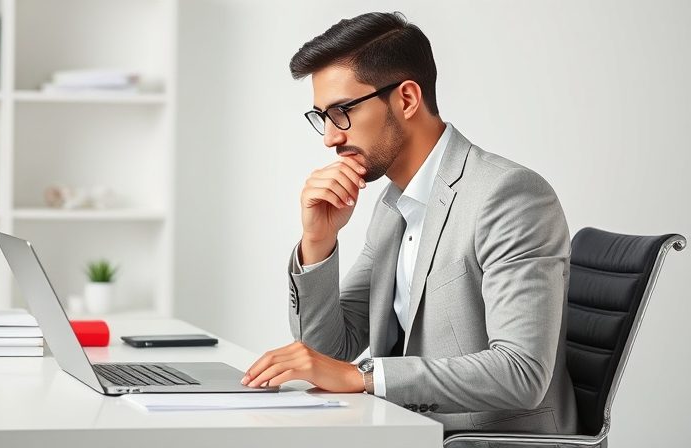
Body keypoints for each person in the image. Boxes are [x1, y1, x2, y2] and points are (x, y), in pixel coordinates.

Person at [242, 11, 579, 435]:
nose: (330, 137)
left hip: (485, 441)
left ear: (405, 98)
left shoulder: (509, 195)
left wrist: (365, 378)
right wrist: (318, 239)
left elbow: (521, 372)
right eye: (321, 117)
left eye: (342, 111)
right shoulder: (392, 206)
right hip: (403, 433)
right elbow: (328, 352)